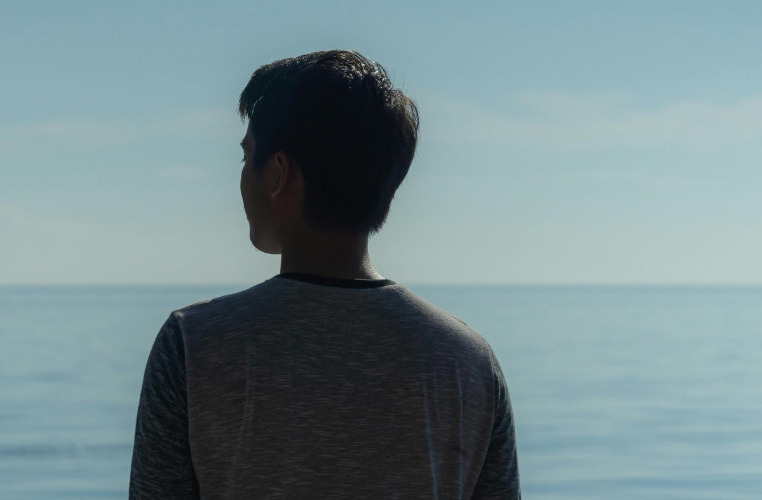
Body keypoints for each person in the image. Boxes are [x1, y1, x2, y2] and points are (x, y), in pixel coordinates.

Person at [129, 50, 519, 499]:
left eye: (247, 157)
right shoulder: (467, 362)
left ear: (278, 173)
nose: (242, 177)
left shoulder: (194, 345)